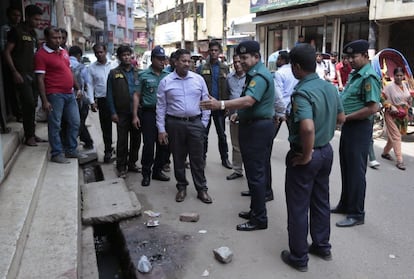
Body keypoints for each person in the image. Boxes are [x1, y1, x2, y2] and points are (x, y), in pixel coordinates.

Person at [279, 43, 345, 272]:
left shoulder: (302, 92)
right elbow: (341, 118)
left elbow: (306, 128)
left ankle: (299, 257)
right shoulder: (329, 87)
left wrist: (306, 155)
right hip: (326, 152)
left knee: (298, 207)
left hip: (306, 154)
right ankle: (322, 245)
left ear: (296, 67)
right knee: (320, 200)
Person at [200, 40, 275, 231]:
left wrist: (222, 105)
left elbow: (249, 101)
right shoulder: (253, 74)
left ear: (256, 57)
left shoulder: (259, 76)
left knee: (256, 175)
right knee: (253, 173)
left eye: (244, 58)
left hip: (258, 128)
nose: (240, 61)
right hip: (252, 126)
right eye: (239, 57)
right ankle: (255, 210)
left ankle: (259, 219)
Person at [331, 39, 381, 227]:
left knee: (356, 172)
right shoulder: (355, 74)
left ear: (365, 56)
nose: (349, 60)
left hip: (359, 128)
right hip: (349, 127)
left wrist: (346, 118)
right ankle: (345, 204)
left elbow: (372, 108)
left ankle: (357, 213)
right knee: (346, 167)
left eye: (353, 56)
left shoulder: (369, 77)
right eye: (347, 57)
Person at [156, 49, 212, 204]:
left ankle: (202, 189)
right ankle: (182, 187)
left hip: (195, 123)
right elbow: (160, 107)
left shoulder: (198, 79)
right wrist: (161, 129)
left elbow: (206, 102)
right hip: (175, 124)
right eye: (184, 61)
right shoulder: (166, 82)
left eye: (189, 61)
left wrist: (204, 123)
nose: (187, 64)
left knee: (197, 159)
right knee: (179, 158)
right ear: (175, 62)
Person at [35, 26, 81, 164]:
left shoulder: (63, 51)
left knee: (75, 122)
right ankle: (56, 153)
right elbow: (39, 79)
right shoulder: (41, 55)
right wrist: (44, 100)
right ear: (47, 38)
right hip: (54, 94)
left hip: (69, 93)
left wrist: (77, 87)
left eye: (60, 38)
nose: (58, 40)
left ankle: (71, 150)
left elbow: (69, 71)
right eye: (55, 38)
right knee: (55, 124)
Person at [4, 4, 45, 145]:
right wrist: (14, 72)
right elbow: (7, 52)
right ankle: (29, 137)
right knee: (27, 103)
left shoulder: (33, 34)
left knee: (33, 104)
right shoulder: (16, 31)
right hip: (21, 73)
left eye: (40, 20)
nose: (38, 22)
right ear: (27, 17)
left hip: (32, 73)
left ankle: (31, 133)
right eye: (35, 19)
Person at [133, 46, 170, 186]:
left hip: (165, 114)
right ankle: (146, 173)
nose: (162, 62)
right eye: (159, 59)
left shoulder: (168, 76)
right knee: (149, 144)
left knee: (164, 143)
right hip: (149, 113)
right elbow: (136, 95)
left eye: (163, 59)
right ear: (153, 59)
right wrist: (135, 115)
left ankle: (157, 171)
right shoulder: (143, 75)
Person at [106, 45, 141, 178]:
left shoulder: (138, 72)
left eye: (128, 54)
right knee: (122, 141)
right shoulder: (114, 73)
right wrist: (113, 112)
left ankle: (132, 163)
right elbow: (109, 94)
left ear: (131, 56)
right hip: (121, 113)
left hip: (137, 113)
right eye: (123, 55)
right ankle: (121, 166)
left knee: (136, 139)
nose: (126, 57)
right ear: (120, 57)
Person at [198, 40, 231, 169]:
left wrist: (227, 105)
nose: (213, 52)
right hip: (206, 106)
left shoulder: (224, 68)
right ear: (208, 51)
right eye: (211, 50)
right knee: (203, 134)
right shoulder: (202, 67)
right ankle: (202, 159)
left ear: (219, 52)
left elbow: (228, 87)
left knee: (222, 134)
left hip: (219, 106)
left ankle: (225, 159)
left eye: (216, 50)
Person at [87, 43, 118, 163]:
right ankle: (108, 151)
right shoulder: (92, 68)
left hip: (116, 100)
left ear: (105, 51)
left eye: (101, 52)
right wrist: (91, 101)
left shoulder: (114, 65)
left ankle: (121, 151)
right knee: (106, 127)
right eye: (97, 53)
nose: (99, 54)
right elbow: (90, 85)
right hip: (102, 100)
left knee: (121, 126)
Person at [381, 67, 412, 170]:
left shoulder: (406, 85)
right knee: (397, 136)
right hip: (391, 114)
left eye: (401, 75)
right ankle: (399, 160)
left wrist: (409, 101)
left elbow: (407, 98)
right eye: (397, 75)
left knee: (393, 136)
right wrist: (390, 106)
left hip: (403, 115)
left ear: (403, 76)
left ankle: (385, 152)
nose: (399, 77)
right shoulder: (389, 87)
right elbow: (381, 98)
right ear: (393, 76)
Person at [68, 45, 94, 150]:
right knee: (80, 122)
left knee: (72, 121)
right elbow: (88, 83)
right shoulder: (81, 67)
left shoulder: (65, 63)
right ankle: (87, 141)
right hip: (80, 99)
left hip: (66, 97)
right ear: (79, 55)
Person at [1, 5, 22, 128]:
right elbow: (4, 48)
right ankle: (16, 113)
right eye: (14, 15)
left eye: (19, 15)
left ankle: (20, 112)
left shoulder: (21, 29)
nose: (17, 18)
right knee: (12, 90)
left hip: (20, 64)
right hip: (9, 64)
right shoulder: (5, 29)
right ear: (9, 16)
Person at [225, 54, 246, 180]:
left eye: (239, 61)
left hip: (248, 116)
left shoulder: (250, 77)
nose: (237, 64)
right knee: (235, 144)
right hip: (233, 116)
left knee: (248, 145)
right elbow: (228, 94)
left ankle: (250, 170)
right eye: (235, 62)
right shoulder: (229, 78)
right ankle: (237, 170)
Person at [273, 50, 298, 137]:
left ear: (283, 60)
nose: (276, 61)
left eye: (278, 59)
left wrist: (280, 112)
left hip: (281, 107)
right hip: (292, 107)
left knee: (270, 138)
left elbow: (278, 94)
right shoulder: (295, 71)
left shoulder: (279, 73)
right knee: (294, 137)